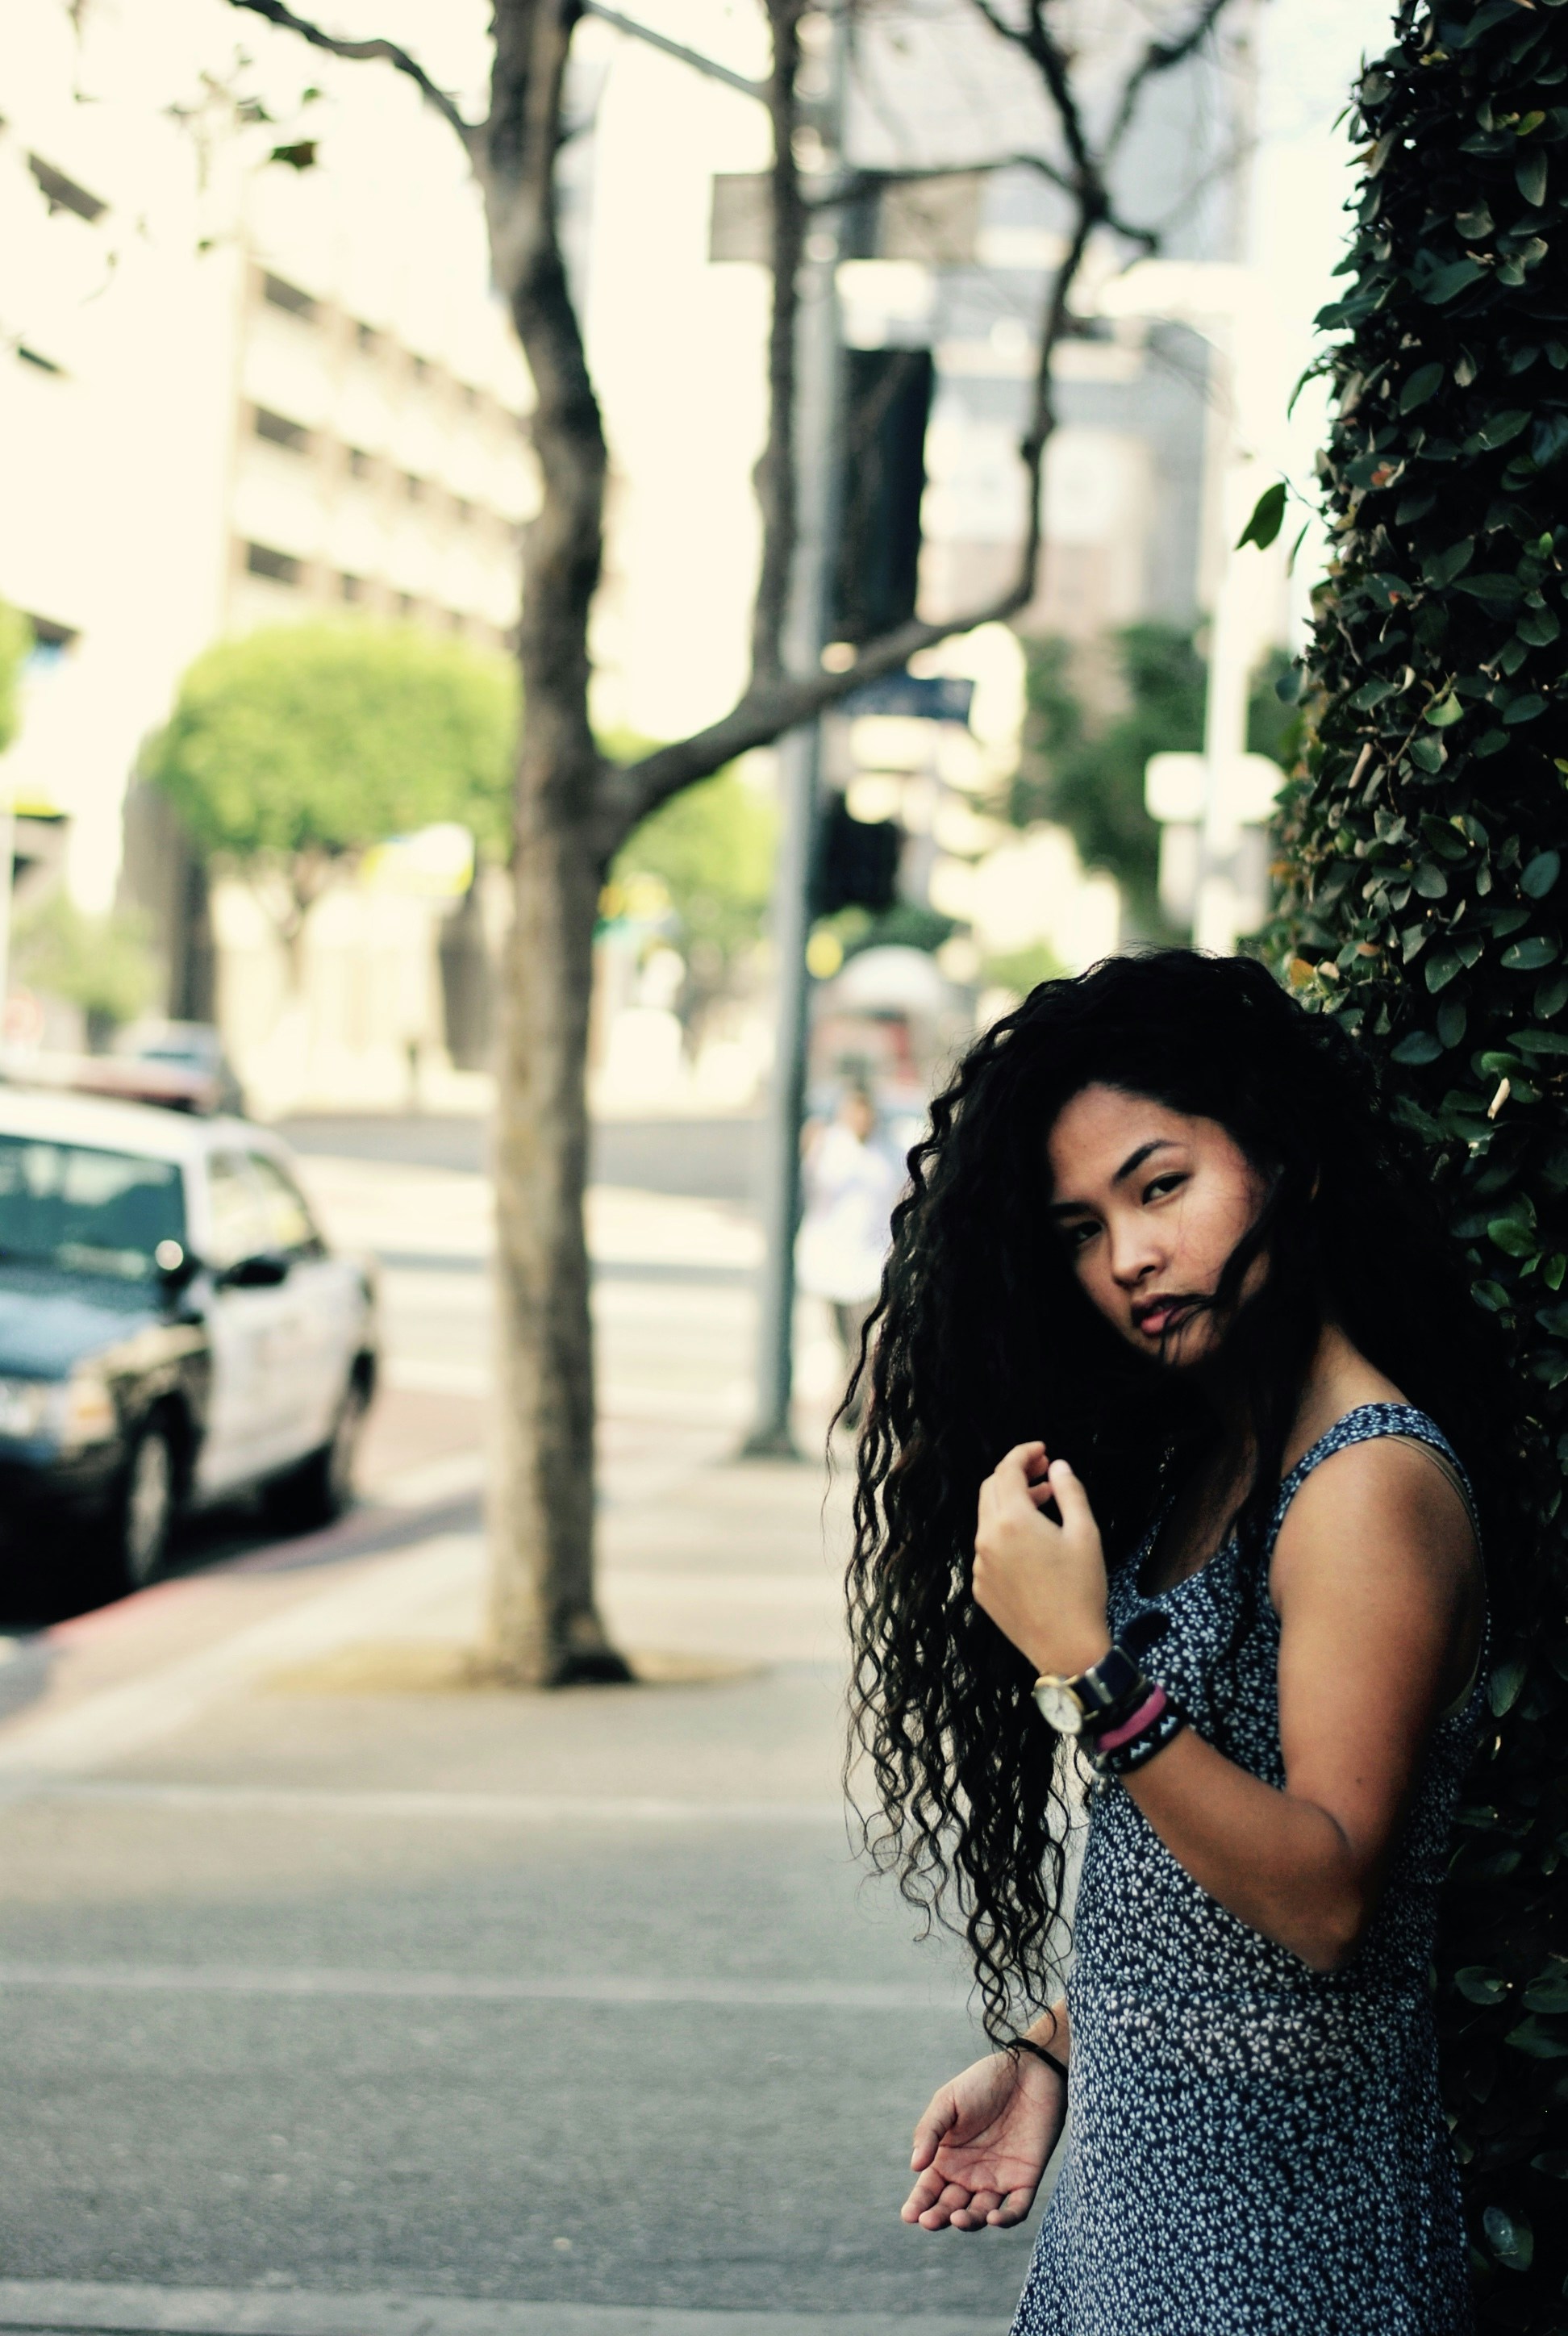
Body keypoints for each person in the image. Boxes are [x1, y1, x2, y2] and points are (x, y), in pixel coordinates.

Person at [845, 950, 1515, 2336]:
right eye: (1079, 1230)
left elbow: (1324, 1903)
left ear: (1285, 1162)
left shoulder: (1364, 1484)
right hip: (1134, 2232)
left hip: (1287, 2262)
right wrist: (1056, 2051)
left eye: (1159, 1187)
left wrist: (1087, 1669)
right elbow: (1207, 1896)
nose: (1126, 1258)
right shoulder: (1210, 1457)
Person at [796, 1082, 903, 1420]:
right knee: (844, 1341)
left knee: (865, 1341)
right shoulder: (827, 1146)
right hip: (829, 1264)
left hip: (869, 1266)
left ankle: (852, 1408)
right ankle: (850, 1402)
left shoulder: (889, 1152)